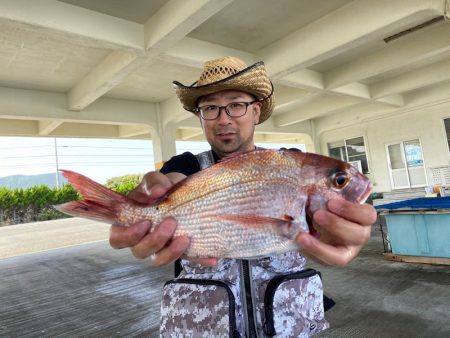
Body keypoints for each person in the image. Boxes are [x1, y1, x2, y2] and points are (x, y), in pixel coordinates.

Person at [109, 56, 377, 337]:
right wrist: (138, 209)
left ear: (256, 111)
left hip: (289, 326)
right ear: (200, 116)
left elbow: (319, 231)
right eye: (210, 107)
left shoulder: (293, 164)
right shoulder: (186, 167)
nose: (223, 118)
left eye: (236, 105)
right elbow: (167, 183)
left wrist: (337, 236)